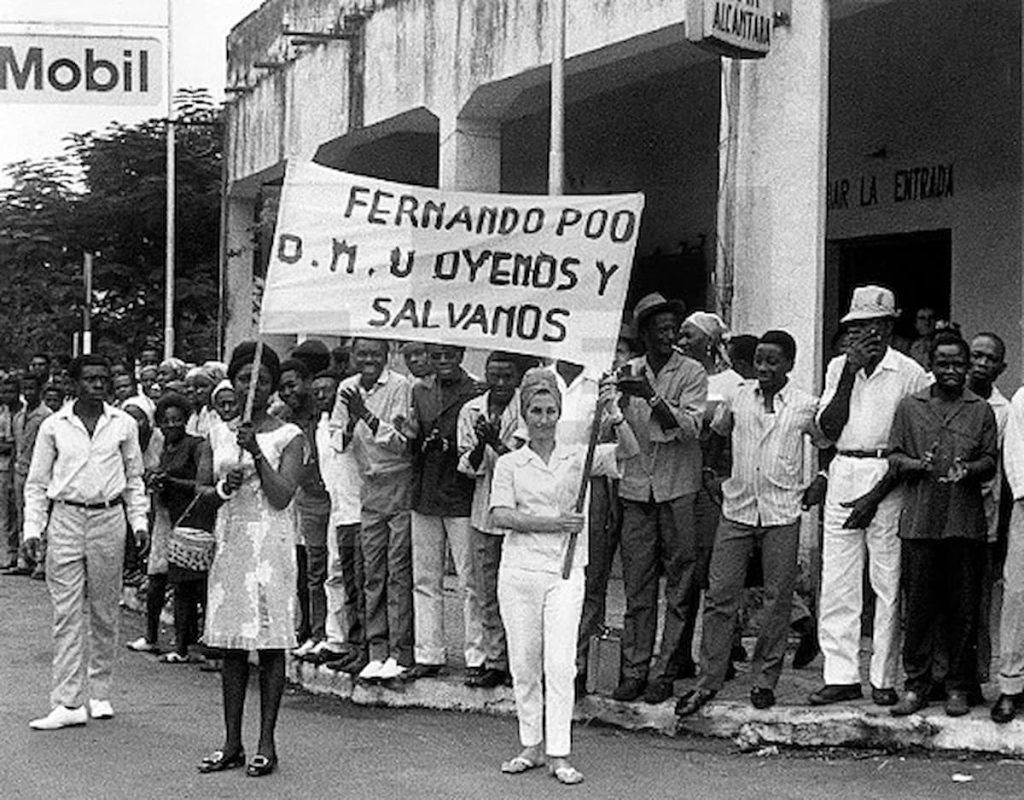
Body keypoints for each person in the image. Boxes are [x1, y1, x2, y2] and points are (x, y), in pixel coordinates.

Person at [491, 368, 637, 786]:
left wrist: (613, 411)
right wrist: (554, 523)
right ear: (524, 414)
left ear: (559, 412)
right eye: (535, 410)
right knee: (524, 663)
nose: (542, 418)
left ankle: (559, 752)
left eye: (550, 410)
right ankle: (530, 745)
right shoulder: (510, 463)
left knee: (559, 663)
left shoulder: (579, 454)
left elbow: (628, 452)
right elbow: (501, 514)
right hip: (519, 572)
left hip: (566, 572)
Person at [676, 331, 825, 716]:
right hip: (738, 507)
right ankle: (709, 680)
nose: (763, 368)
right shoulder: (739, 396)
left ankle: (764, 680)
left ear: (789, 364)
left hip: (782, 509)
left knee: (778, 600)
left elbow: (828, 444)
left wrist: (820, 481)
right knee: (721, 594)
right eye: (759, 360)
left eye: (772, 361)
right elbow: (716, 434)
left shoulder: (806, 405)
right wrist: (710, 472)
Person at [810, 286, 929, 706]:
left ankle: (883, 677)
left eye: (876, 326)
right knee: (838, 581)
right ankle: (840, 674)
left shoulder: (910, 373)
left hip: (888, 475)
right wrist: (847, 373)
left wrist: (875, 496)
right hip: (845, 466)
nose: (868, 334)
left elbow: (915, 442)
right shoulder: (839, 367)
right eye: (859, 327)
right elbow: (827, 429)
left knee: (887, 582)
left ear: (889, 326)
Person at [22, 354, 149, 730]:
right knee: (65, 611)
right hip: (66, 517)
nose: (98, 384)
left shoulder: (124, 424)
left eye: (103, 378)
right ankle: (67, 701)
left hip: (109, 518)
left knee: (105, 609)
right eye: (90, 378)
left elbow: (134, 479)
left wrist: (138, 521)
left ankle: (99, 692)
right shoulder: (54, 426)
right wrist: (33, 529)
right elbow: (37, 483)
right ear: (74, 383)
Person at [198, 342, 305, 777]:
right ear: (233, 382)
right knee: (232, 648)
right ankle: (231, 742)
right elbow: (203, 492)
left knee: (271, 642)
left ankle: (267, 743)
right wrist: (226, 485)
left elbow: (281, 496)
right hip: (232, 542)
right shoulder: (217, 432)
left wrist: (258, 453)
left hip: (271, 545)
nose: (252, 388)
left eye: (261, 381)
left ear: (272, 386)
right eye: (244, 380)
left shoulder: (288, 435)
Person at [882, 333, 997, 716]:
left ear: (967, 368)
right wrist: (917, 465)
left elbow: (991, 462)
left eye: (958, 364)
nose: (951, 371)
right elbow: (894, 456)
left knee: (962, 609)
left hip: (963, 523)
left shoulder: (980, 410)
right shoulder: (910, 407)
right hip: (920, 522)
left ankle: (957, 686)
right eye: (943, 363)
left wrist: (969, 469)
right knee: (918, 608)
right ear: (931, 365)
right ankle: (916, 684)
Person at [612, 292, 707, 704]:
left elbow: (688, 429)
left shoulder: (692, 372)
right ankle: (634, 669)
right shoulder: (625, 371)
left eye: (674, 329)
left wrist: (650, 396)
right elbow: (609, 431)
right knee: (638, 585)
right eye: (661, 330)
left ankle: (666, 669)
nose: (670, 337)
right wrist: (616, 400)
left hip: (677, 489)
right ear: (644, 334)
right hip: (635, 489)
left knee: (681, 583)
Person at [331, 338, 414, 682]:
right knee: (372, 572)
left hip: (398, 483)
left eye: (376, 354)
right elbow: (339, 441)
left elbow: (401, 442)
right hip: (369, 487)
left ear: (387, 357)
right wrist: (352, 420)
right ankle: (375, 648)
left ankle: (400, 650)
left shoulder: (400, 386)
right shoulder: (347, 388)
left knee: (398, 570)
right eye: (362, 354)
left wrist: (365, 414)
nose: (369, 360)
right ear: (352, 357)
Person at [405, 343, 484, 681]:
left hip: (461, 492)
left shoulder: (477, 390)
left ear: (461, 355)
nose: (441, 362)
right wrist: (411, 436)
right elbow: (412, 441)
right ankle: (429, 651)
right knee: (425, 577)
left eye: (448, 356)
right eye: (435, 356)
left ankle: (476, 655)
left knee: (470, 579)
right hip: (425, 488)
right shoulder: (420, 392)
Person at [457, 351, 525, 688]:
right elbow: (467, 466)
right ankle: (496, 660)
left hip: (518, 513)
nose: (499, 384)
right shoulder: (471, 410)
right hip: (484, 511)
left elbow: (523, 464)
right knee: (486, 590)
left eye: (507, 377)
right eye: (493, 376)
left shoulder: (527, 410)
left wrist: (495, 442)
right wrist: (482, 444)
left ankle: (520, 661)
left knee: (518, 592)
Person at [278, 358, 334, 660]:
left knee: (323, 568)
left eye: (292, 385)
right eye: (282, 388)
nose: (288, 392)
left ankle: (323, 631)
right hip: (297, 502)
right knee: (304, 568)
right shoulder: (284, 419)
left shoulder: (320, 415)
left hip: (323, 499)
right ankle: (308, 628)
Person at [312, 370, 367, 672]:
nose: (322, 396)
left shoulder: (350, 423)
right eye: (317, 390)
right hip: (336, 509)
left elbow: (343, 444)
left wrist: (353, 416)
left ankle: (358, 644)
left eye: (328, 391)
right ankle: (336, 639)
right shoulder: (319, 426)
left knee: (358, 580)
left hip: (357, 509)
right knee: (334, 576)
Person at [147, 393, 207, 664]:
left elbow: (200, 484)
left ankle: (195, 645)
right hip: (169, 520)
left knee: (193, 585)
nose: (172, 425)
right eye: (166, 421)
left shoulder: (196, 445)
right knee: (176, 584)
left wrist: (170, 480)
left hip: (193, 522)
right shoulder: (164, 449)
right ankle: (183, 643)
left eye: (177, 420)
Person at [965, 332, 1010, 686]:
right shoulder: (940, 397)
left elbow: (1006, 475)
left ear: (1001, 368)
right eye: (976, 355)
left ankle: (975, 677)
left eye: (989, 359)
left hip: (984, 517)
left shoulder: (1005, 411)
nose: (981, 364)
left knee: (978, 602)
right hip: (940, 513)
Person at [12, 374, 52, 579]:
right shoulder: (19, 416)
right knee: (23, 514)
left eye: (32, 389)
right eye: (25, 389)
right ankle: (24, 557)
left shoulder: (47, 416)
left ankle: (41, 561)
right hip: (21, 470)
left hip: (41, 472)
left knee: (41, 515)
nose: (28, 393)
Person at [0, 376, 20, 571]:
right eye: (4, 392)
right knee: (6, 513)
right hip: (5, 468)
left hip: (15, 467)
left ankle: (19, 553)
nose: (6, 396)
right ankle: (9, 552)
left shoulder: (22, 414)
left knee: (17, 512)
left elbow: (12, 444)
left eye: (10, 392)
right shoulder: (3, 413)